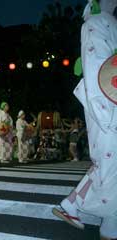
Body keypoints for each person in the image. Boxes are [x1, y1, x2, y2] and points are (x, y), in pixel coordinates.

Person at [52, 1, 117, 239]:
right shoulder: (100, 22)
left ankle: (110, 225)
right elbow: (99, 71)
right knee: (110, 164)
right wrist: (105, 112)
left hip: (107, 102)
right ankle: (73, 205)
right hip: (107, 104)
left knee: (111, 164)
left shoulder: (103, 22)